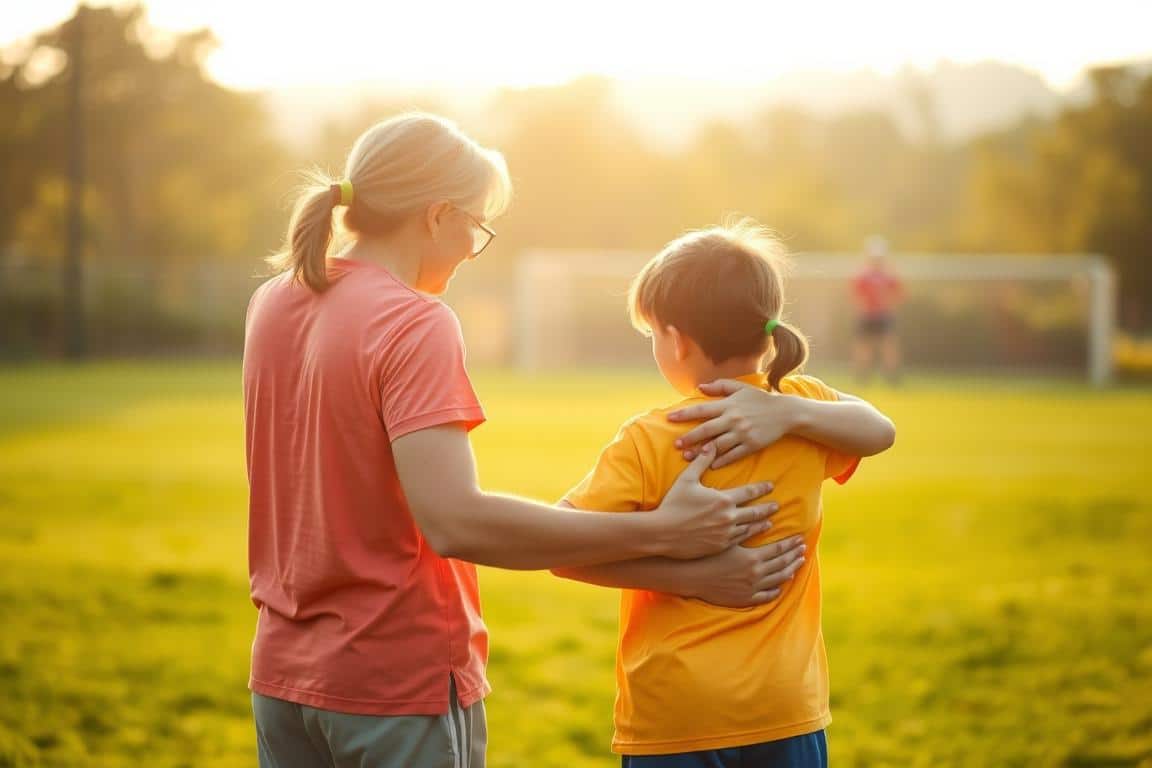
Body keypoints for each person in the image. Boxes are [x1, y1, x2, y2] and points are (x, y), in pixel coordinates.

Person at [243, 112, 886, 768]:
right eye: (477, 226)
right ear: (437, 216)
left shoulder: (273, 301)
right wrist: (668, 535)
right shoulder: (415, 321)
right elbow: (455, 522)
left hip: (281, 676)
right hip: (392, 678)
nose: (473, 247)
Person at [556, 220, 896, 767]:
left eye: (652, 335)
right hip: (785, 708)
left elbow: (560, 549)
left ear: (678, 341)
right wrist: (789, 411)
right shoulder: (806, 409)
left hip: (677, 716)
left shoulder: (650, 438)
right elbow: (880, 429)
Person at [852, 235, 904, 385]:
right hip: (867, 315)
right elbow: (857, 295)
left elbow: (897, 293)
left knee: (888, 346)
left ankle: (891, 377)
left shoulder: (888, 275)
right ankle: (862, 376)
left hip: (883, 315)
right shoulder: (863, 274)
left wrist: (887, 307)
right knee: (864, 347)